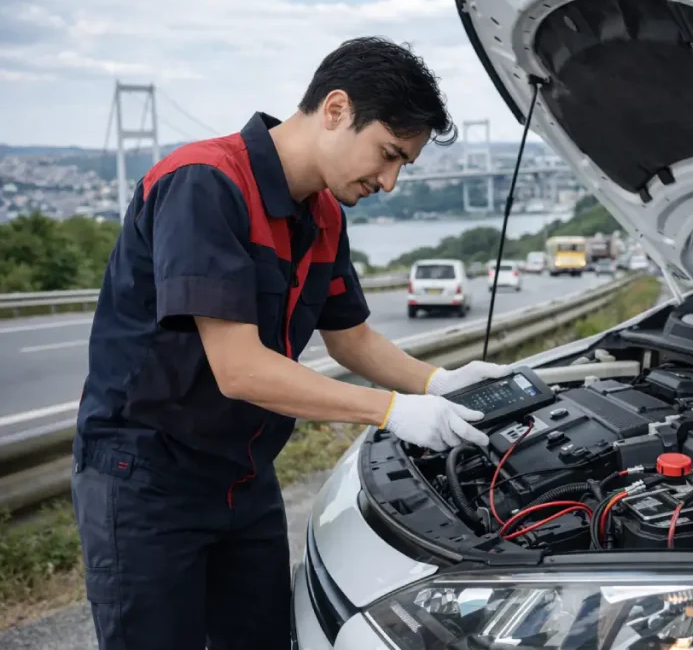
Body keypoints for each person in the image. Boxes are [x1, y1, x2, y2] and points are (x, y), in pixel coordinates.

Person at [71, 36, 511, 650]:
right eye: (387, 154)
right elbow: (240, 370)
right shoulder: (205, 182)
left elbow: (351, 338)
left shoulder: (324, 215)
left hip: (244, 475)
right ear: (335, 111)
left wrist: (435, 382)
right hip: (147, 476)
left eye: (403, 165)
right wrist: (390, 410)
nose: (389, 182)